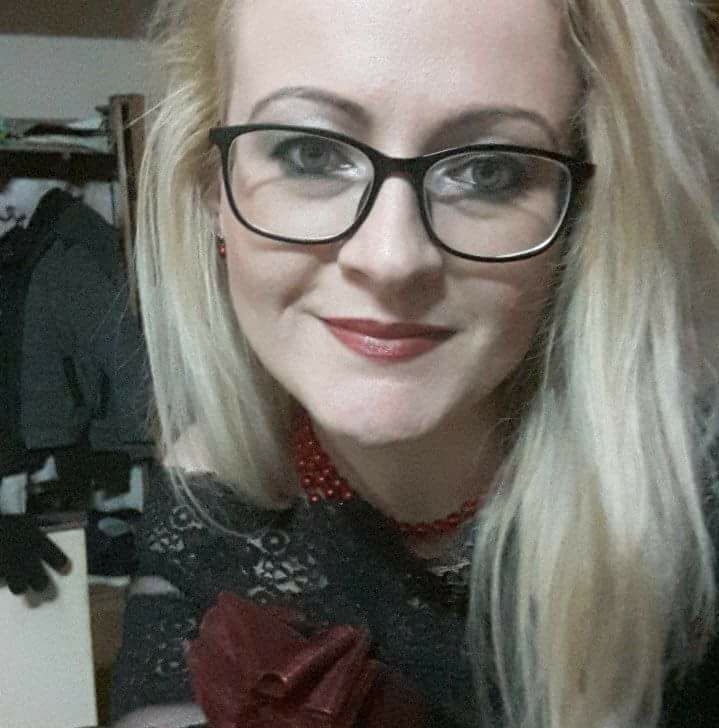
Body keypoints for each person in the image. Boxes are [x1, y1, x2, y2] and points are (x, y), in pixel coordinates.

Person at [110, 1, 719, 726]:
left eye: (489, 170)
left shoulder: (692, 515)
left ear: (582, 213)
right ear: (212, 187)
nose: (392, 258)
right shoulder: (209, 503)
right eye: (308, 154)